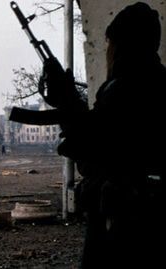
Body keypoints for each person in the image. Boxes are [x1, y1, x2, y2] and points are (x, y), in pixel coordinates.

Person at [42, 2, 165, 268]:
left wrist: (66, 101)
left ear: (123, 46)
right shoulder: (156, 81)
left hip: (125, 217)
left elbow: (90, 145)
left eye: (111, 45)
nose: (108, 52)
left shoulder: (124, 88)